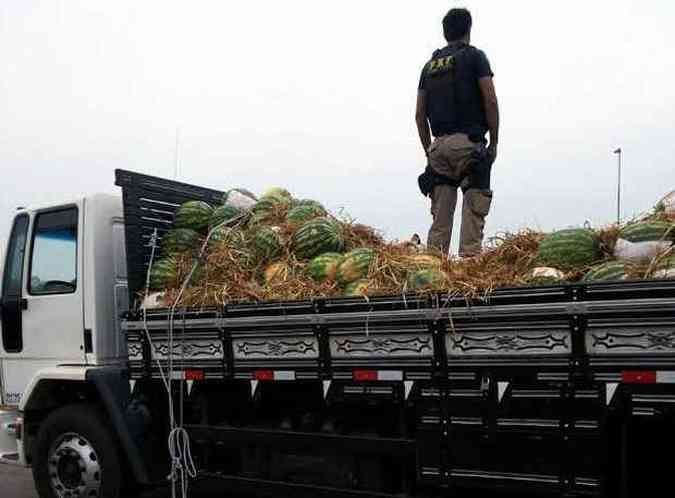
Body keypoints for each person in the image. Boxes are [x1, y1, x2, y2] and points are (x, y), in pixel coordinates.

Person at [416, 8, 499, 257]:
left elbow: (420, 115)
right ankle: (470, 272)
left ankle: (432, 275)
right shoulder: (475, 57)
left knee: (440, 223)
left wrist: (428, 151)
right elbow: (490, 100)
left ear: (445, 33)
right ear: (468, 30)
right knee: (473, 214)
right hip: (468, 145)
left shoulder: (428, 67)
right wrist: (493, 143)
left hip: (438, 148)